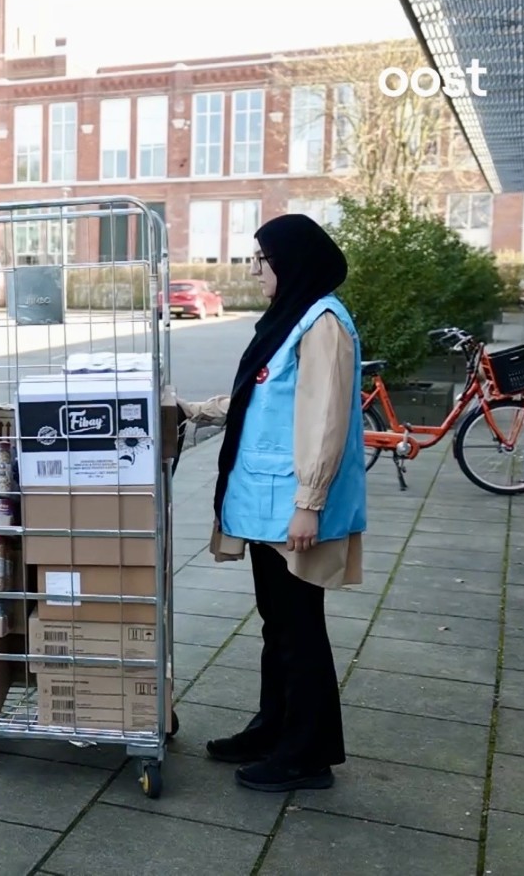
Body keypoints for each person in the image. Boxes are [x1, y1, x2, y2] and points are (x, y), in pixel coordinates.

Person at [174, 213, 369, 793]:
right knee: (278, 625)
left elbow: (325, 420)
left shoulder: (323, 324)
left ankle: (306, 754)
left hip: (294, 509)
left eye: (262, 259)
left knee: (299, 628)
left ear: (290, 262)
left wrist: (309, 502)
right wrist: (197, 410)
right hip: (269, 502)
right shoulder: (292, 319)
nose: (255, 269)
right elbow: (262, 394)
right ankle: (275, 728)